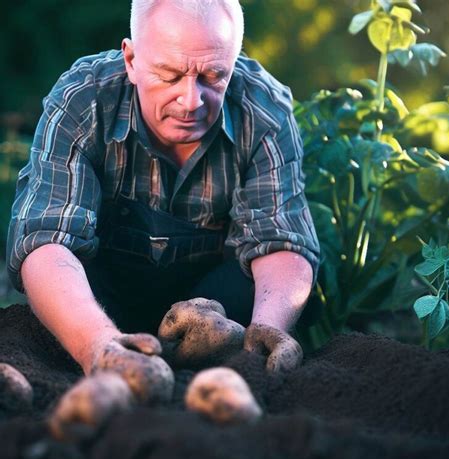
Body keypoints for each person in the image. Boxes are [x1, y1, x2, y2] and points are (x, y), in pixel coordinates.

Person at [6, 0, 320, 377]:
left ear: (232, 63)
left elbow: (282, 238)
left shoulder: (264, 109)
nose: (191, 101)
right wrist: (98, 346)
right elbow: (46, 241)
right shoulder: (85, 99)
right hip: (99, 297)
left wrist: (268, 330)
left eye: (213, 76)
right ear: (132, 60)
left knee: (262, 286)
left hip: (214, 312)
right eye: (169, 75)